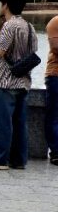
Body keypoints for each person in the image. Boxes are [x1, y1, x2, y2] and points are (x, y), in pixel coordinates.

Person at [0, 0, 37, 171]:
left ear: (5, 4)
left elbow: (0, 51)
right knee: (19, 123)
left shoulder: (9, 25)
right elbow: (33, 51)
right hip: (23, 80)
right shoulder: (28, 26)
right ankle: (18, 159)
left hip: (5, 81)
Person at [45, 14, 58, 166]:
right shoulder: (55, 22)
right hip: (56, 75)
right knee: (54, 116)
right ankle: (56, 152)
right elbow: (55, 47)